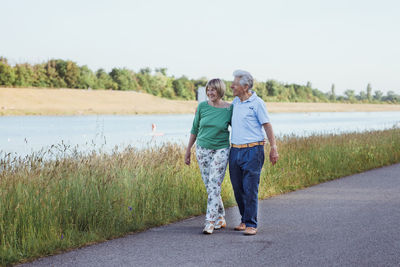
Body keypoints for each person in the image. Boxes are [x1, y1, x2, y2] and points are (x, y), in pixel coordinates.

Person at [229, 70, 279, 235]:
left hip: (253, 150)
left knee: (250, 188)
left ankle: (251, 224)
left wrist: (273, 147)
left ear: (245, 86)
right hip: (235, 150)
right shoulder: (235, 102)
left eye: (234, 84)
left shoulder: (257, 103)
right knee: (238, 188)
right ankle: (244, 219)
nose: (231, 86)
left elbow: (267, 125)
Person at [185, 78, 233, 234]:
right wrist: (188, 150)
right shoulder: (202, 107)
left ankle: (210, 221)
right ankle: (220, 217)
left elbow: (239, 128)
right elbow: (194, 128)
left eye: (213, 89)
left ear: (220, 91)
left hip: (221, 149)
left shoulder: (229, 109)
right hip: (202, 149)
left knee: (213, 183)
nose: (210, 92)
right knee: (210, 185)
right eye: (208, 90)